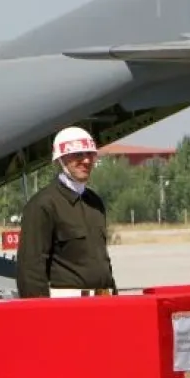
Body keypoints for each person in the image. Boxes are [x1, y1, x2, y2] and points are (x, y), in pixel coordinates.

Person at [14, 126, 118, 298]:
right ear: (60, 159)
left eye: (90, 154)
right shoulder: (43, 204)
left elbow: (102, 262)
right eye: (78, 154)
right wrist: (39, 311)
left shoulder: (95, 202)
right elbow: (31, 270)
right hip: (67, 306)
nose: (86, 160)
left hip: (103, 301)